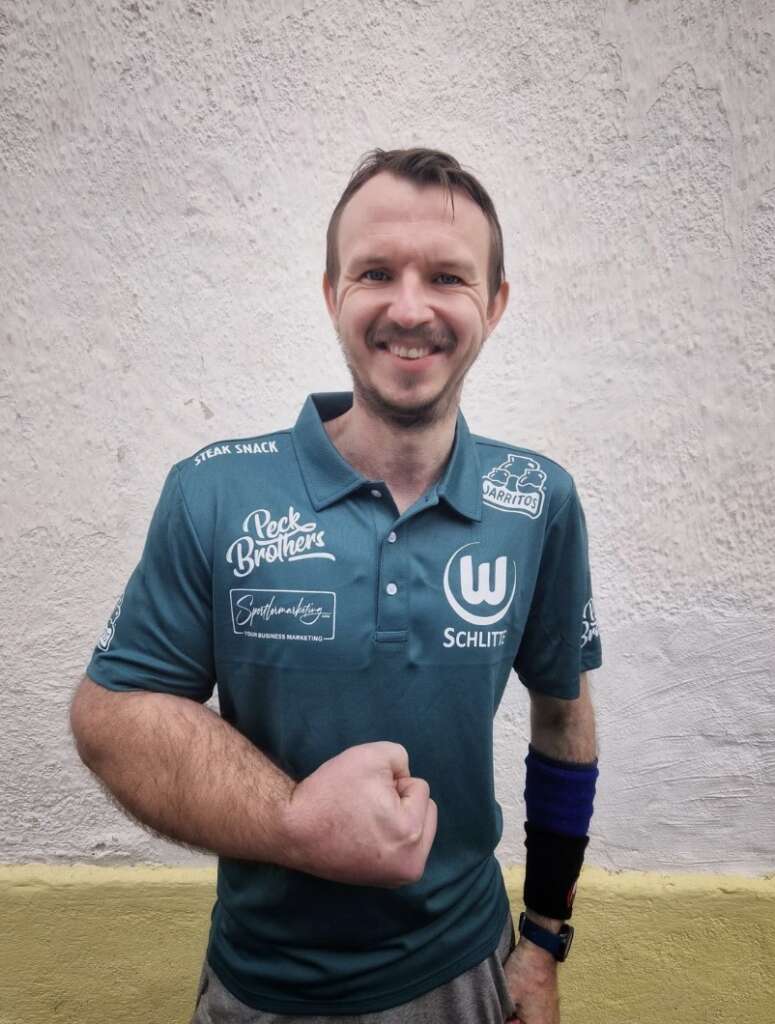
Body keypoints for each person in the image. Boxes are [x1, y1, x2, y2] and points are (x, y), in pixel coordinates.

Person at [70, 148, 602, 1024]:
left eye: (447, 277)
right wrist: (293, 823)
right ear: (330, 294)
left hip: (466, 976)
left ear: (494, 304)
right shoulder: (214, 491)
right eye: (375, 273)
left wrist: (543, 945)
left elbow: (563, 721)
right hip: (259, 989)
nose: (408, 306)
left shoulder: (537, 500)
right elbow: (111, 713)